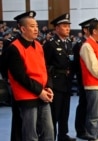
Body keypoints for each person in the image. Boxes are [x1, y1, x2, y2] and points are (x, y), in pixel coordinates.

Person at [6, 10, 54, 141]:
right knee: (30, 134)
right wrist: (40, 91)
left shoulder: (38, 45)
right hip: (27, 96)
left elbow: (45, 69)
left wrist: (49, 86)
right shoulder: (14, 48)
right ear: (22, 29)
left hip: (42, 93)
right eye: (32, 26)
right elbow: (20, 76)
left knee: (49, 132)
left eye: (37, 26)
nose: (36, 29)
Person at [43, 13, 76, 141]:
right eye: (64, 26)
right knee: (54, 113)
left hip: (66, 82)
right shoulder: (50, 44)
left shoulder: (68, 43)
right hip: (55, 83)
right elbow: (45, 65)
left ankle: (63, 135)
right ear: (57, 28)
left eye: (68, 26)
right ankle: (52, 136)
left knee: (65, 111)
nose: (68, 28)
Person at [74, 18, 97, 140]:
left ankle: (90, 129)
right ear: (85, 30)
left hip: (93, 80)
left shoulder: (93, 43)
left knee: (91, 106)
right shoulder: (81, 44)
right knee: (83, 104)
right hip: (84, 79)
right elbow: (78, 65)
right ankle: (81, 129)